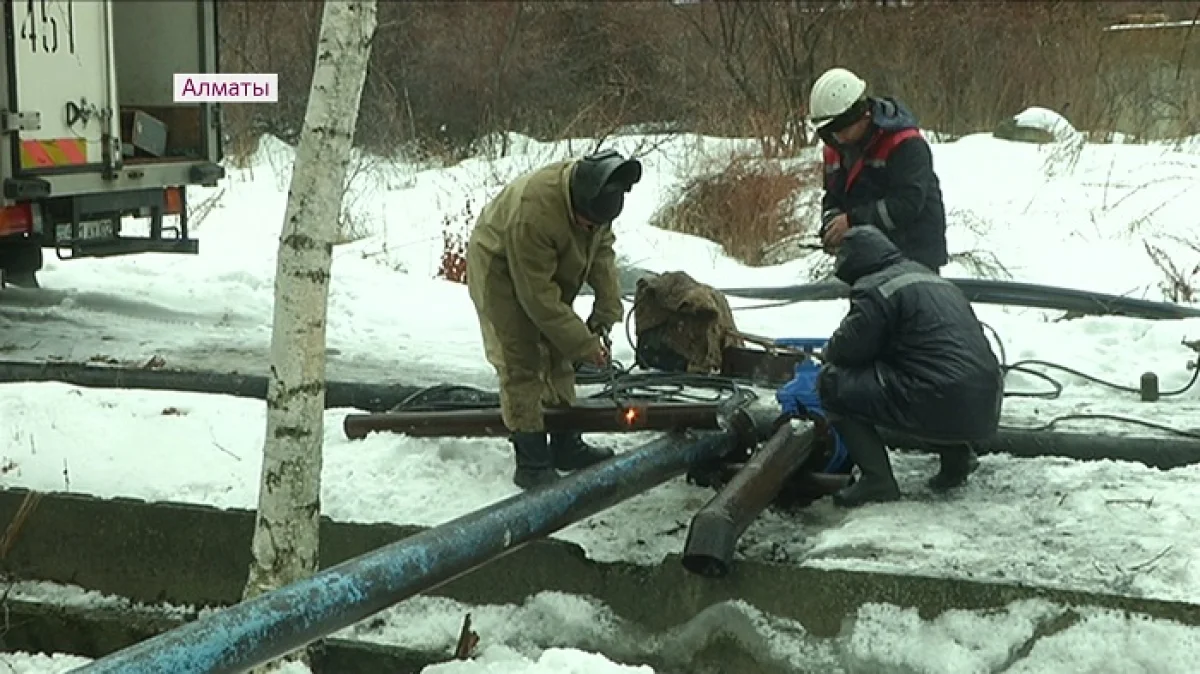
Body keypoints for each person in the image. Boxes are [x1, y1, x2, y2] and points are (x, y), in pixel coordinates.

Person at [466, 150, 641, 490]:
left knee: (560, 353)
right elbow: (538, 300)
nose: (593, 229)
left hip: (545, 266)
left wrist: (607, 308)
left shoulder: (598, 197)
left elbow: (602, 254)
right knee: (522, 359)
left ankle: (565, 446)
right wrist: (584, 344)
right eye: (587, 224)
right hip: (498, 267)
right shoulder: (532, 214)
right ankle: (531, 463)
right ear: (576, 205)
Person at [816, 226, 1003, 507]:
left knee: (832, 382)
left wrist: (827, 352)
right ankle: (956, 459)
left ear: (854, 262)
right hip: (985, 398)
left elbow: (849, 350)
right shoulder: (928, 276)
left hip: (938, 394)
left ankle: (877, 480)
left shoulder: (875, 288)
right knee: (928, 377)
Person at [809, 67, 948, 274]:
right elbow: (833, 196)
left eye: (841, 129)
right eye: (830, 133)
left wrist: (853, 222)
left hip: (914, 257)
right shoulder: (835, 150)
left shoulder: (905, 144)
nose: (837, 138)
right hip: (864, 259)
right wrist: (832, 225)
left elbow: (908, 203)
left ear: (861, 116)